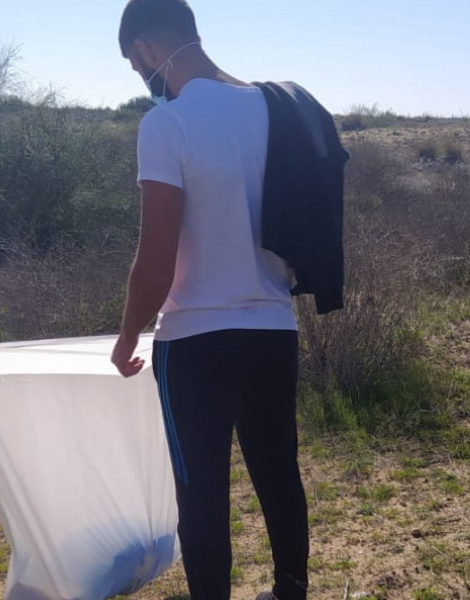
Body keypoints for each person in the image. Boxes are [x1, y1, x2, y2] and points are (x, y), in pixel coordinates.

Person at [111, 2, 346, 599]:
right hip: (272, 326)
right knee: (277, 472)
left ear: (144, 52)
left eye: (133, 65)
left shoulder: (166, 125)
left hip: (194, 340)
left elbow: (157, 259)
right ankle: (292, 589)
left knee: (202, 491)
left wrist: (128, 335)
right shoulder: (275, 108)